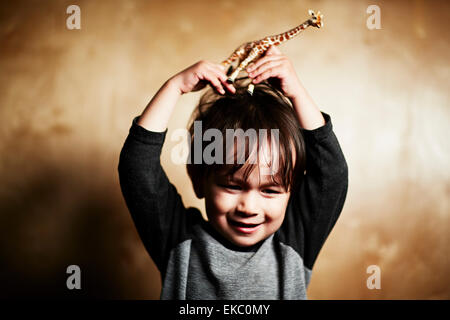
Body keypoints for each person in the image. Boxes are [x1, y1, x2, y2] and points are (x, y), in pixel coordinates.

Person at [118, 46, 348, 299]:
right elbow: (137, 168)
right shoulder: (178, 240)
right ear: (199, 179)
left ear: (291, 190)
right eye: (233, 186)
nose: (248, 207)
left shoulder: (295, 241)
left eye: (270, 190)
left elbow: (331, 172)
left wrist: (297, 94)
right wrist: (174, 87)